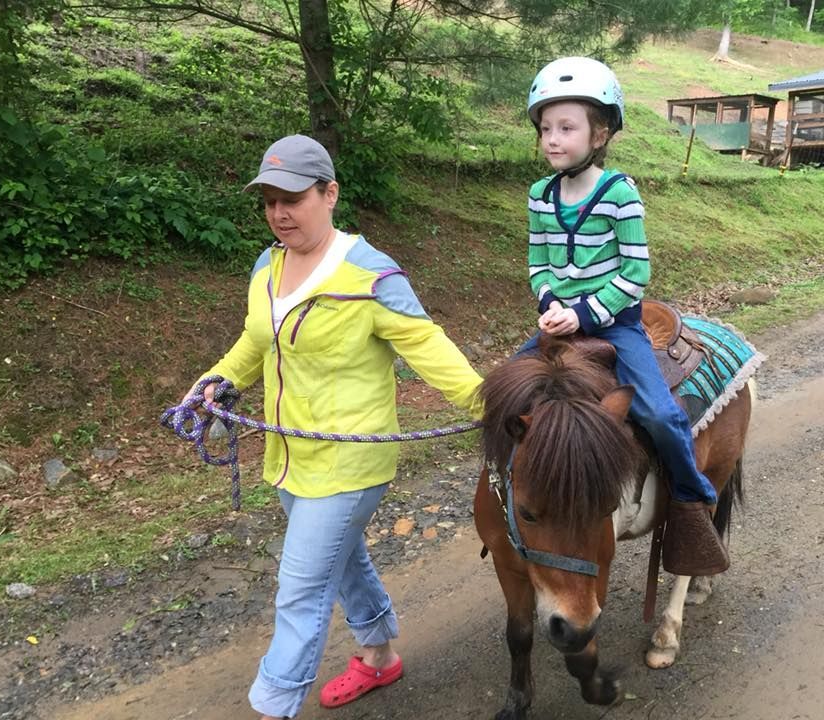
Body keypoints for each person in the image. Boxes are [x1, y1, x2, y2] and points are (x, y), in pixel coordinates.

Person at [183, 135, 483, 718]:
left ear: (330, 194)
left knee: (300, 590)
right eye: (269, 200)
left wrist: (487, 404)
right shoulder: (267, 264)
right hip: (289, 458)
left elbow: (428, 346)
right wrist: (212, 381)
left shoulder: (369, 274)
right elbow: (254, 339)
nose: (279, 213)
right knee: (343, 562)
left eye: (292, 197)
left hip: (349, 464)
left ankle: (274, 705)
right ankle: (379, 655)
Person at [521, 57, 729, 577]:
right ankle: (518, 491)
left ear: (601, 133)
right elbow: (537, 263)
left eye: (566, 127)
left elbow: (636, 272)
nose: (552, 138)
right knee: (506, 389)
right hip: (559, 321)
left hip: (615, 322)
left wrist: (586, 312)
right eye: (546, 128)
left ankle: (691, 493)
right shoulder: (539, 196)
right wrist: (550, 306)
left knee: (659, 412)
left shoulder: (618, 193)